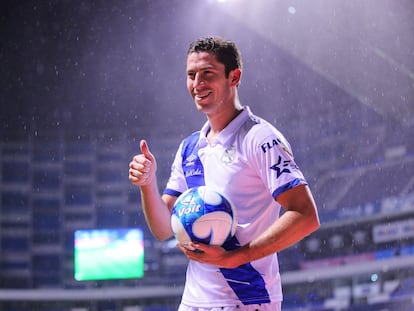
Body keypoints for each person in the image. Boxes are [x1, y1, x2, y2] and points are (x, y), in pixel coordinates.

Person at [129, 36, 320, 311]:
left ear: (234, 77)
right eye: (191, 75)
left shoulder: (260, 138)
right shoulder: (189, 148)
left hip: (247, 300)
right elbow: (162, 229)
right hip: (194, 300)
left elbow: (305, 215)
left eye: (208, 74)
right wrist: (147, 184)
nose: (197, 84)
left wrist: (234, 257)